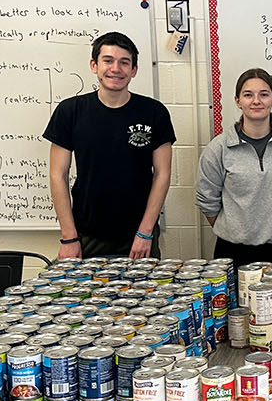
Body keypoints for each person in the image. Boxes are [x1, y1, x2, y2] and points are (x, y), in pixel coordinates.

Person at [45, 32, 176, 259]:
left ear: (134, 70)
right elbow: (58, 175)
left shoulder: (154, 112)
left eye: (124, 62)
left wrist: (145, 233)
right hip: (86, 234)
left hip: (139, 234)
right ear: (94, 65)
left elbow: (162, 174)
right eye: (108, 60)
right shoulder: (70, 112)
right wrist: (69, 237)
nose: (116, 68)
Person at [197, 68, 272, 267]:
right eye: (248, 95)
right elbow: (207, 199)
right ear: (238, 101)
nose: (256, 101)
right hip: (233, 251)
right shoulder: (219, 148)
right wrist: (235, 229)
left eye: (264, 94)